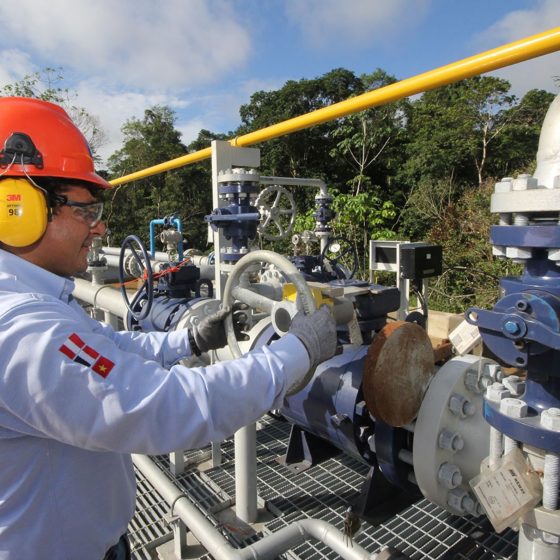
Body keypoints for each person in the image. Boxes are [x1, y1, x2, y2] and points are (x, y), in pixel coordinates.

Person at [0, 97, 337, 560]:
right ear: (16, 209)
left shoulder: (35, 298)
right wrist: (297, 351)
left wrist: (189, 339)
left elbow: (108, 348)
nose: (99, 229)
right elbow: (168, 407)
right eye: (86, 211)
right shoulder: (21, 329)